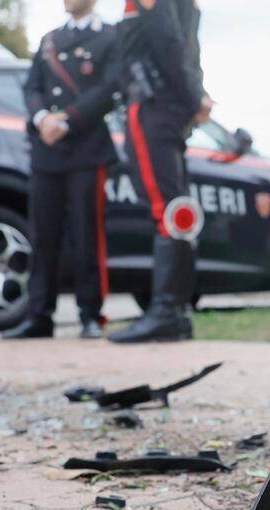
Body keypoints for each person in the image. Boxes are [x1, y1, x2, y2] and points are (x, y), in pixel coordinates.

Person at [2, 0, 119, 340]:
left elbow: (109, 89)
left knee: (87, 235)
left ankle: (91, 315)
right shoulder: (50, 40)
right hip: (47, 152)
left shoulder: (110, 37)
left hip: (86, 149)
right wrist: (43, 119)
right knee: (43, 236)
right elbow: (32, 87)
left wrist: (67, 120)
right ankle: (39, 315)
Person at [106, 0, 212, 343]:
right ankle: (176, 313)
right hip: (168, 108)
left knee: (166, 211)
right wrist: (195, 95)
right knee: (177, 212)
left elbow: (169, 40)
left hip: (152, 107)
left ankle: (166, 313)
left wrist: (195, 96)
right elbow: (184, 47)